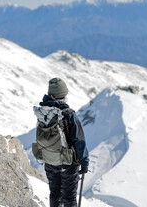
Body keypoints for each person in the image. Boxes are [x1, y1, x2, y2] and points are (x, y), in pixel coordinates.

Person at [36, 78, 89, 207]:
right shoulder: (68, 114)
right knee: (69, 197)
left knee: (55, 193)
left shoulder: (42, 112)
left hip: (49, 159)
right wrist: (85, 162)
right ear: (61, 97)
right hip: (68, 161)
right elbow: (79, 140)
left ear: (50, 95)